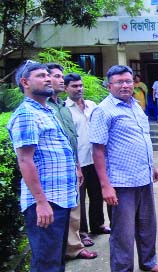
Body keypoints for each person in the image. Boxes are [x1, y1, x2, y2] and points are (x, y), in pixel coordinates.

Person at [90, 65, 158, 272]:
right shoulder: (103, 111)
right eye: (119, 82)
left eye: (128, 81)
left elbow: (142, 138)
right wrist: (106, 186)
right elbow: (97, 151)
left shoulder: (136, 105)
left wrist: (152, 166)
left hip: (143, 178)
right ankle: (123, 269)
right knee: (123, 233)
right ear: (109, 85)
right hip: (121, 183)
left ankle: (148, 263)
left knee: (147, 226)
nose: (125, 85)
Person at [7, 60, 78, 271]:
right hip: (46, 203)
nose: (48, 78)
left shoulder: (45, 111)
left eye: (49, 75)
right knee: (46, 264)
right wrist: (41, 203)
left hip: (60, 199)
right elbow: (25, 160)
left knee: (56, 261)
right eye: (40, 76)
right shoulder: (27, 114)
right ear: (25, 82)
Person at [46, 64, 97, 260]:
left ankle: (73, 246)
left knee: (74, 207)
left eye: (61, 76)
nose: (60, 79)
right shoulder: (46, 108)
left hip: (73, 164)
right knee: (65, 209)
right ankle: (70, 247)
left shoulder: (60, 106)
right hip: (55, 169)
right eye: (55, 76)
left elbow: (70, 138)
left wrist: (76, 165)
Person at [64, 73, 110, 241]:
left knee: (97, 194)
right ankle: (82, 233)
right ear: (65, 88)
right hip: (79, 161)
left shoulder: (92, 105)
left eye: (80, 85)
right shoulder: (64, 110)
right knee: (80, 199)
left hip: (96, 159)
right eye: (74, 86)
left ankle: (98, 225)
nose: (79, 89)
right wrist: (75, 165)